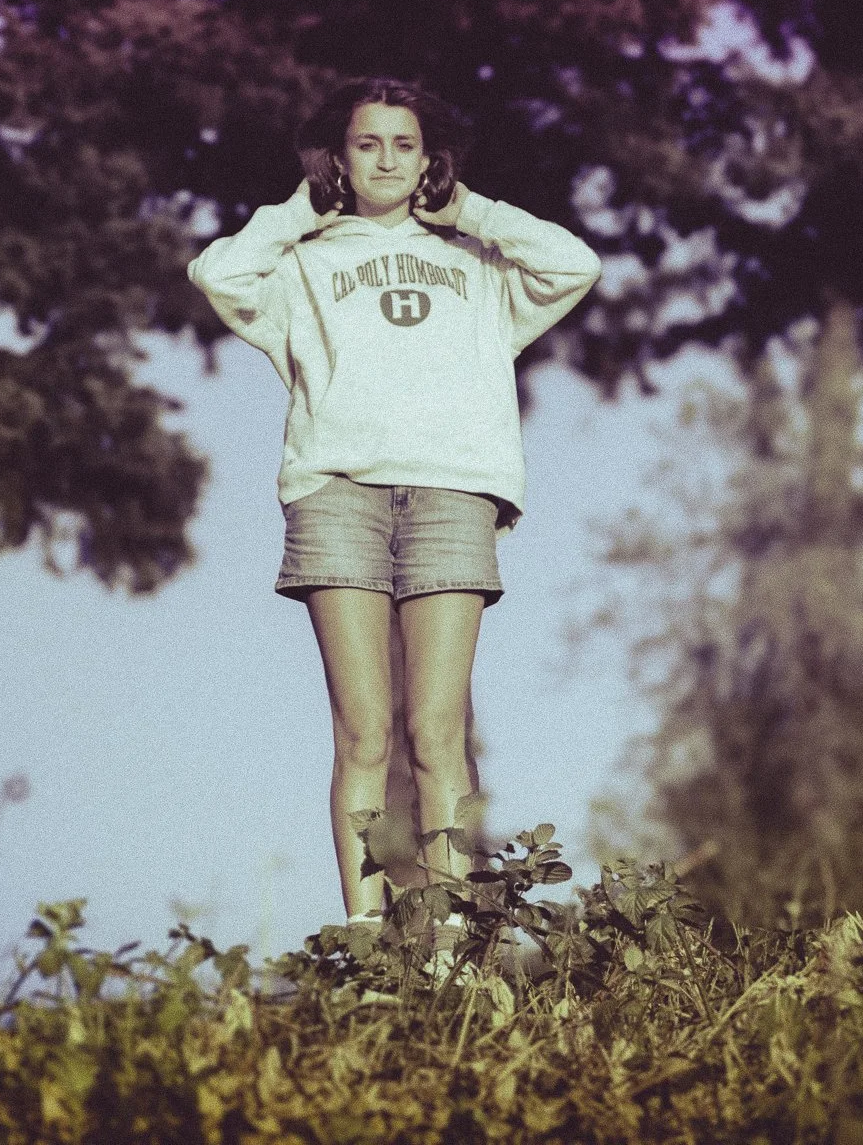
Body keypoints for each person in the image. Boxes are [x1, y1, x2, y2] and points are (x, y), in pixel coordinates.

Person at [187, 78, 601, 937]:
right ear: (338, 158)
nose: (385, 159)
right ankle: (369, 938)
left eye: (403, 145)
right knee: (364, 734)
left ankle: (446, 939)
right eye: (366, 144)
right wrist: (301, 210)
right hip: (338, 498)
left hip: (453, 496)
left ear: (428, 159)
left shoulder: (480, 265)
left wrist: (472, 211)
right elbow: (216, 272)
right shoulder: (302, 263)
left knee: (437, 732)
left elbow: (575, 264)